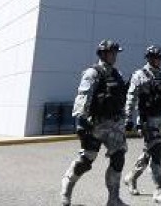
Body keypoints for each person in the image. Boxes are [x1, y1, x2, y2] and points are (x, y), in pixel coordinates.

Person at [60, 39, 129, 206]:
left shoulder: (117, 74)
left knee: (118, 158)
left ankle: (113, 199)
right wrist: (81, 122)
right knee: (85, 161)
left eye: (115, 53)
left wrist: (127, 117)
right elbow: (83, 96)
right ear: (103, 54)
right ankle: (67, 188)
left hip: (115, 125)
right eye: (111, 53)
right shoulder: (92, 73)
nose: (114, 56)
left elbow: (120, 99)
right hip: (96, 125)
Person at [124, 45, 161, 204]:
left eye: (160, 58)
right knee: (156, 152)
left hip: (159, 119)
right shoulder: (139, 75)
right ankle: (159, 190)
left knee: (149, 152)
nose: (158, 61)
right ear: (148, 58)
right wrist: (128, 118)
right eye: (155, 58)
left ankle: (131, 177)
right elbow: (131, 98)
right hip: (146, 119)